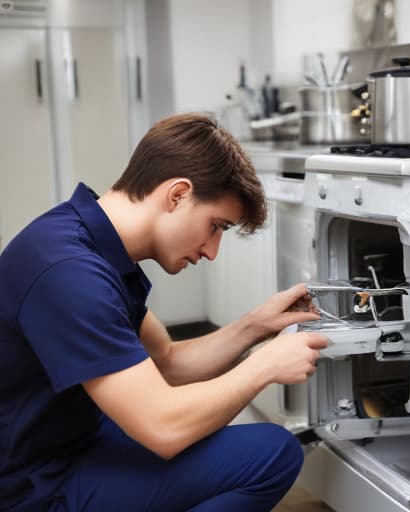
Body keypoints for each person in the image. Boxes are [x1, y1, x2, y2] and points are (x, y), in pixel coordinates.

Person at [0, 113, 328, 511]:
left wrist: (255, 328)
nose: (211, 251)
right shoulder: (71, 274)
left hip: (72, 442)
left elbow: (167, 362)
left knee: (240, 437)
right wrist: (263, 368)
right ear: (177, 194)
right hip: (34, 487)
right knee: (273, 455)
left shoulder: (92, 243)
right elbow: (163, 427)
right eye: (216, 226)